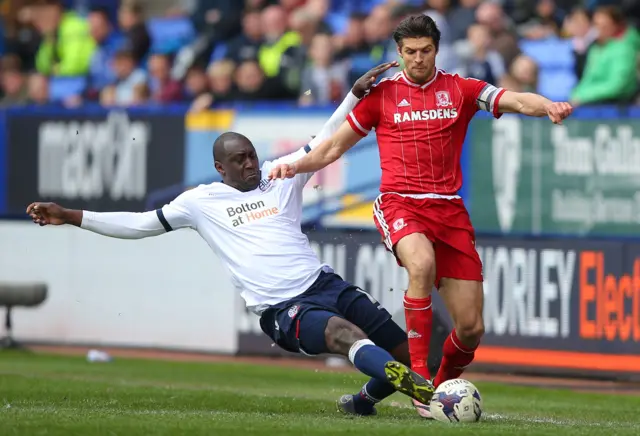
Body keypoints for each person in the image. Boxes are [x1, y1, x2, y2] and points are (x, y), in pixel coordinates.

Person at [26, 63, 434, 417]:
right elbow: (139, 223)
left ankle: (365, 399)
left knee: (407, 352)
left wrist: (351, 95)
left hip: (327, 285)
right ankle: (425, 393)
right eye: (240, 159)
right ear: (221, 167)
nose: (251, 163)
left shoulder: (280, 175)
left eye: (252, 155)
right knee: (345, 335)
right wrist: (70, 216)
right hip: (283, 307)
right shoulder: (200, 201)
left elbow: (325, 137)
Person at [268, 14, 573, 418]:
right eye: (410, 52)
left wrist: (547, 105)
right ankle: (419, 385)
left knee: (470, 328)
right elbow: (330, 149)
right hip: (400, 203)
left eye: (425, 51)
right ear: (398, 53)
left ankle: (439, 389)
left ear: (436, 49)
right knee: (421, 265)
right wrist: (294, 166)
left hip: (449, 211)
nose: (417, 59)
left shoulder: (459, 89)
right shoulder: (382, 96)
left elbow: (513, 99)